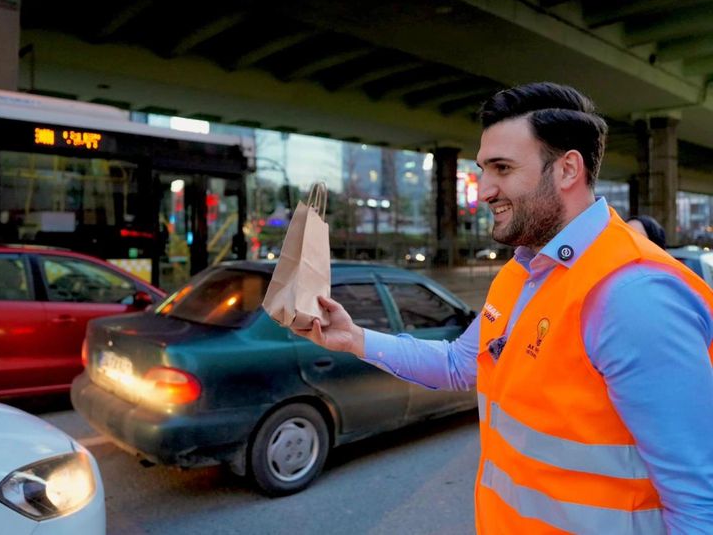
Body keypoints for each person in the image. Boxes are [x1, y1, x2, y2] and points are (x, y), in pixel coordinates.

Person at [294, 83, 713, 534]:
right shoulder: (520, 273)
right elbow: (460, 364)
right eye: (483, 170)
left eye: (502, 169)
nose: (483, 192)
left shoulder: (633, 295)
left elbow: (698, 502)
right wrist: (354, 338)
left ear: (567, 169)